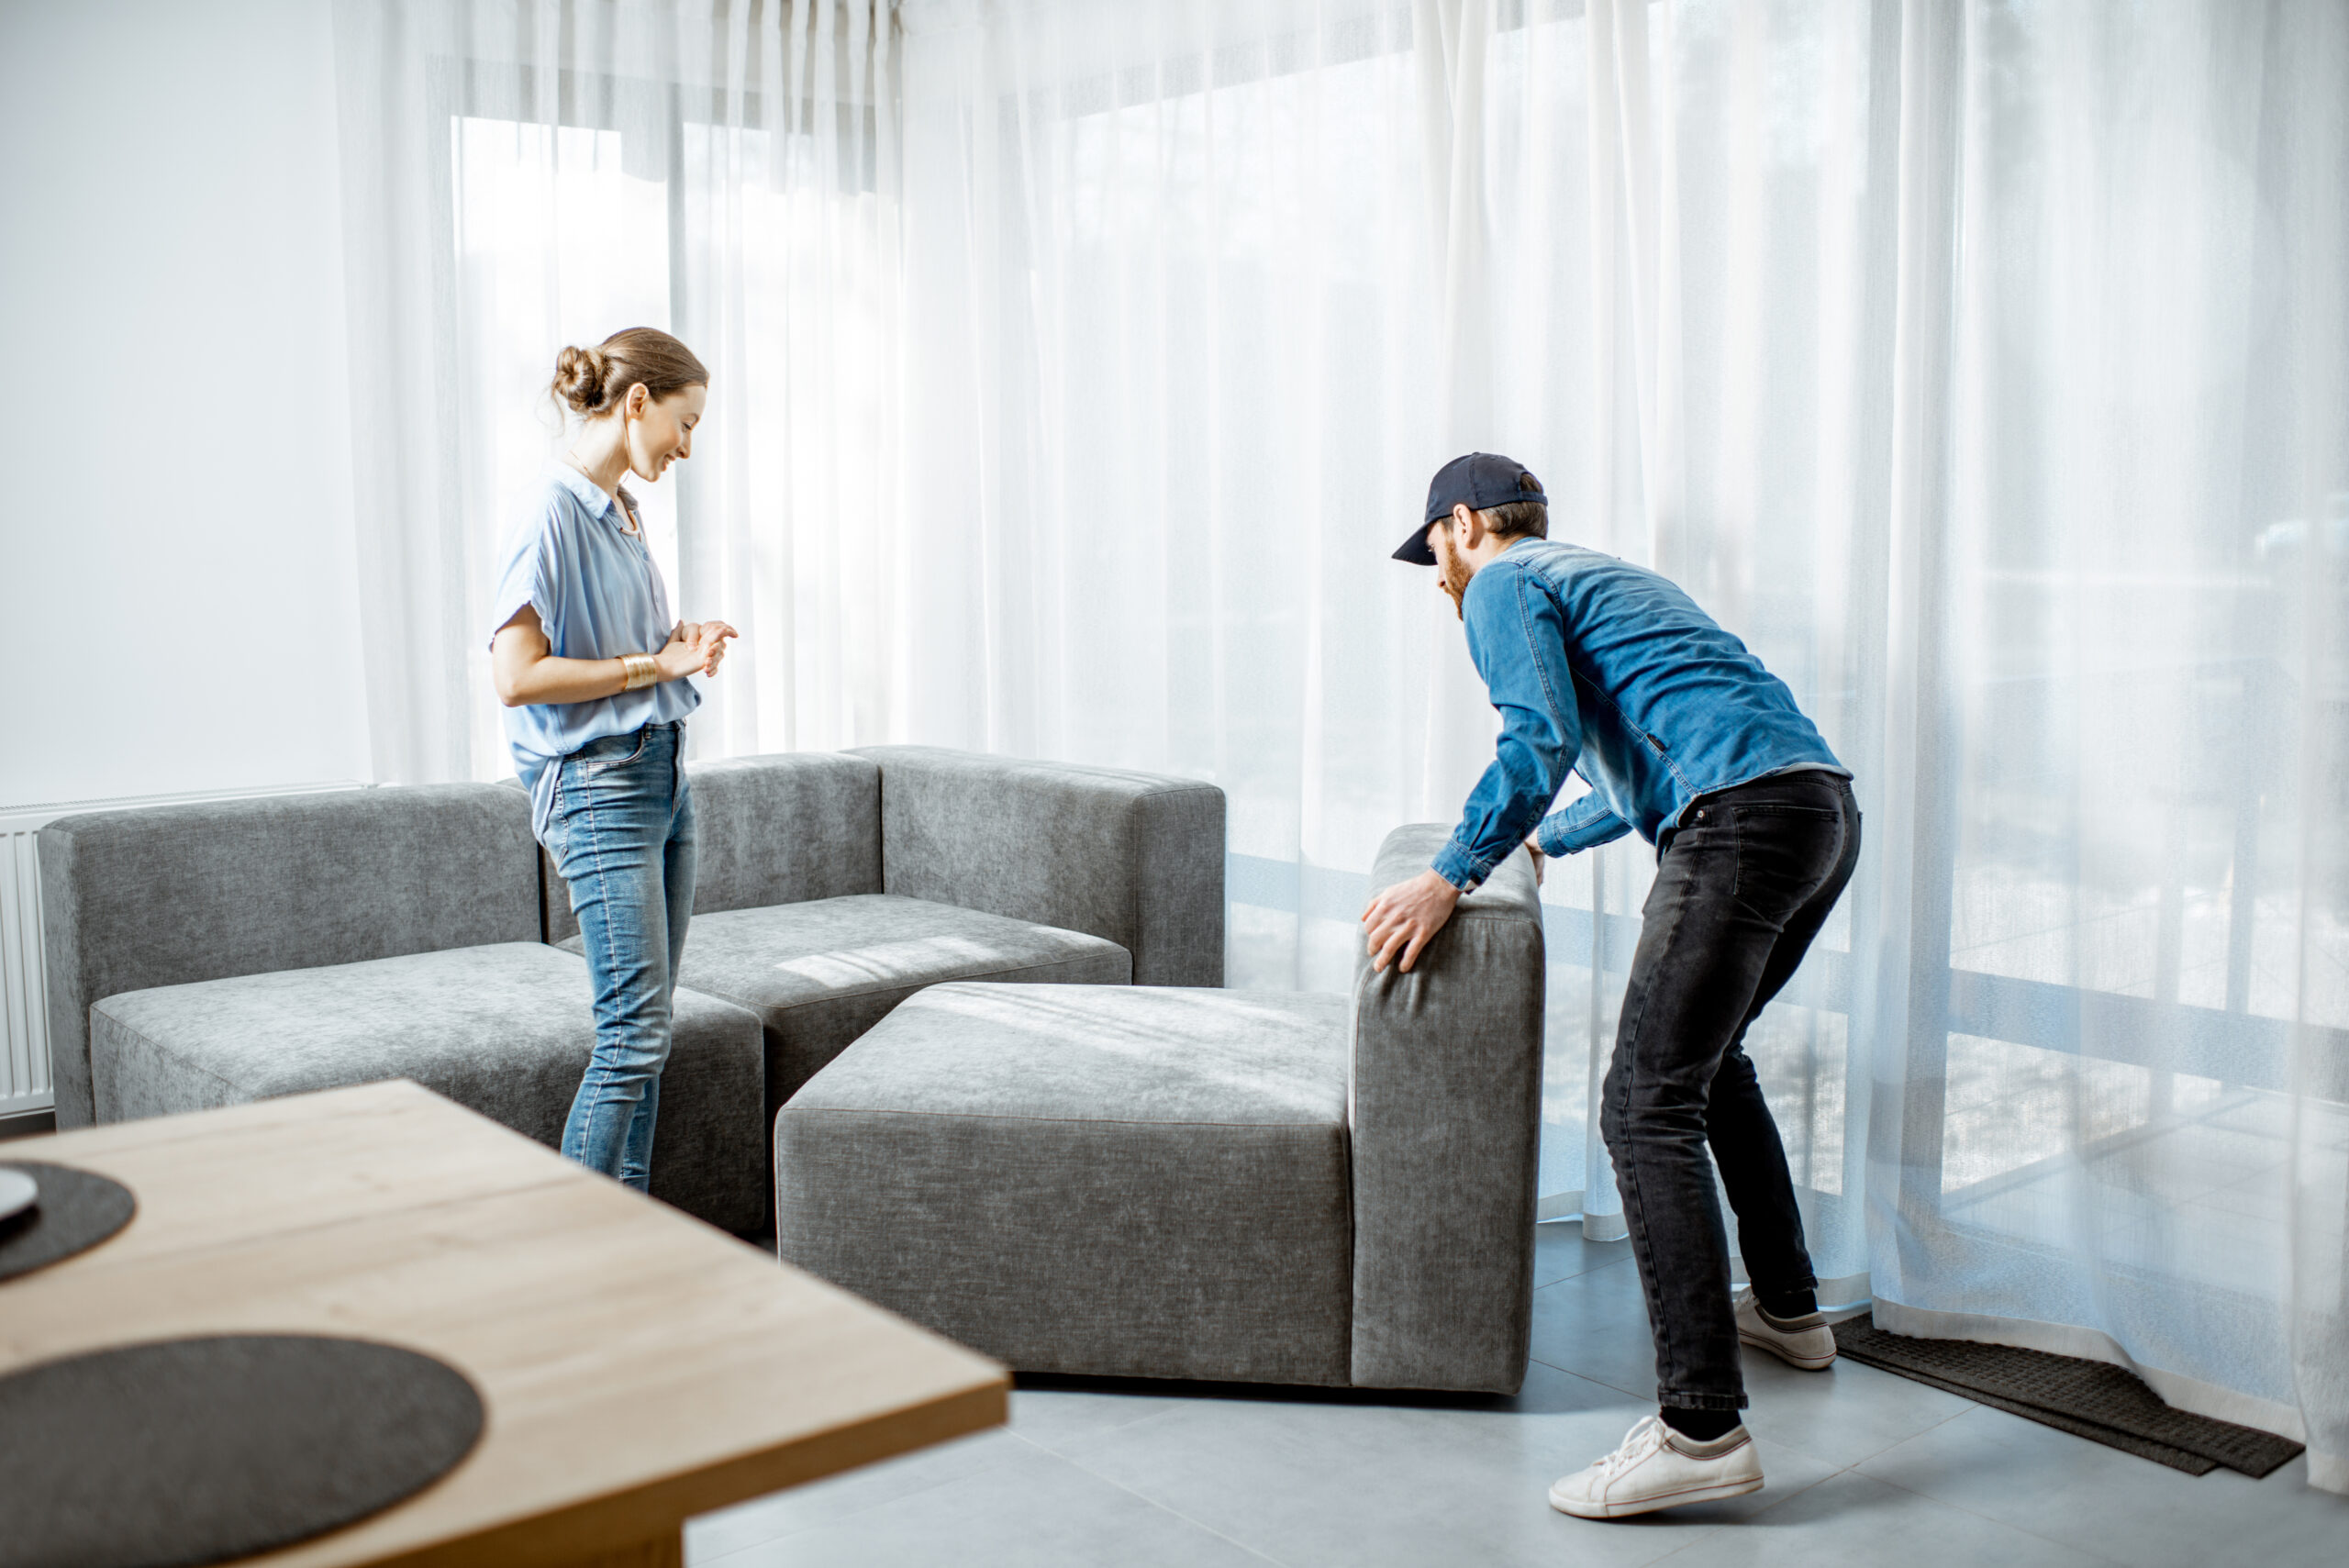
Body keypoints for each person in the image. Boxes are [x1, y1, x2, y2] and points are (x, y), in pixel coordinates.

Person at [1360, 452, 1859, 1520]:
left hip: (1739, 824)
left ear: (1460, 525)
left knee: (1643, 1106)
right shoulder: (1604, 575)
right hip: (1816, 811)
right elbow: (1648, 767)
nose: (1438, 578)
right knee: (1711, 1068)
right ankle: (1789, 1309)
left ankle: (1700, 1428)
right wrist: (1541, 846)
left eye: (1434, 554)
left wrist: (1452, 873)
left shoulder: (1502, 581)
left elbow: (1535, 739)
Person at [488, 327, 738, 1194]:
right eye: (686, 421)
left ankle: (625, 1236)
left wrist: (676, 644)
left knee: (651, 1032)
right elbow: (516, 676)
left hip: (661, 778)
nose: (688, 445)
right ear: (638, 401)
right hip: (598, 789)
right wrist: (650, 666)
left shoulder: (621, 509)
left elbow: (624, 655)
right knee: (631, 1033)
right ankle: (577, 1250)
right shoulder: (548, 511)